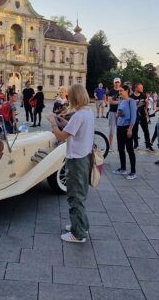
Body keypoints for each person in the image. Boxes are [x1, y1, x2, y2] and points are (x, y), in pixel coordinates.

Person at [46, 84, 94, 244]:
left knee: (75, 197)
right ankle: (81, 225)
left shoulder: (79, 115)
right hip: (85, 158)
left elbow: (60, 136)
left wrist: (53, 122)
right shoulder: (88, 112)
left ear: (74, 97)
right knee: (80, 194)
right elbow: (73, 129)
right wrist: (61, 120)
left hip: (77, 161)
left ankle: (78, 234)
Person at [113, 85, 138, 180]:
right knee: (120, 148)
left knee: (130, 149)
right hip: (120, 126)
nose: (119, 92)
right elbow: (120, 113)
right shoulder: (121, 101)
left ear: (127, 91)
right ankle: (123, 168)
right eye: (119, 91)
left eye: (121, 91)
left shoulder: (131, 101)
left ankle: (133, 172)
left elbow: (133, 116)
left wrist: (130, 129)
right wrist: (118, 114)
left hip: (127, 127)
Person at [132, 83, 153, 151]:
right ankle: (136, 144)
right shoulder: (131, 96)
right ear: (136, 88)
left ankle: (148, 145)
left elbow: (147, 102)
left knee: (146, 130)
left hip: (143, 115)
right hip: (135, 115)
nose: (142, 89)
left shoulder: (143, 95)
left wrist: (146, 110)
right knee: (135, 130)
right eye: (140, 88)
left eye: (142, 87)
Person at [106, 78, 123, 152]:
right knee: (111, 130)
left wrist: (118, 102)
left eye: (118, 82)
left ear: (120, 83)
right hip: (112, 112)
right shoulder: (111, 91)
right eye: (115, 82)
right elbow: (110, 102)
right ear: (114, 83)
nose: (117, 84)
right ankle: (110, 146)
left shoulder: (122, 91)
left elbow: (125, 100)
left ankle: (120, 146)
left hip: (120, 113)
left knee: (120, 130)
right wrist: (120, 102)